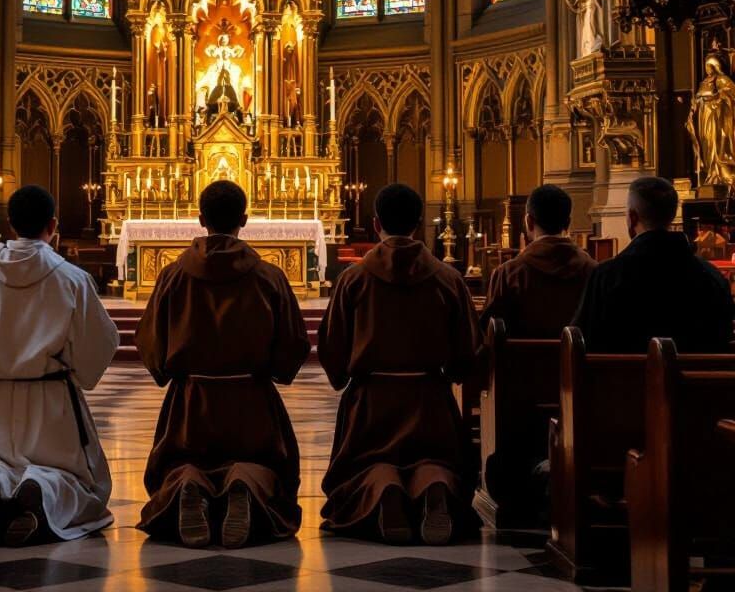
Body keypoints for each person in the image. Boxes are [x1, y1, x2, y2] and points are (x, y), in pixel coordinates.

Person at [136, 180, 310, 548]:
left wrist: (166, 369)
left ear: (201, 219)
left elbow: (151, 340)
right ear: (244, 220)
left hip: (191, 402)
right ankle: (245, 482)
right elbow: (293, 344)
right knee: (266, 465)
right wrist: (274, 370)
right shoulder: (269, 276)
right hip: (251, 402)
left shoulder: (173, 275)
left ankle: (189, 485)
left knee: (180, 462)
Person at [0, 185, 119, 547]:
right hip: (51, 400)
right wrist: (76, 370)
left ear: (10, 224)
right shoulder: (71, 278)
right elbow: (99, 344)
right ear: (53, 225)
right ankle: (40, 488)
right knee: (75, 479)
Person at [317, 183, 479, 545]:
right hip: (429, 401)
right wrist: (450, 373)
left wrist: (344, 375)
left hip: (372, 403)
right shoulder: (448, 279)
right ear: (419, 223)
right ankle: (433, 484)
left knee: (366, 465)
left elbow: (332, 347)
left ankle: (382, 488)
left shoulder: (353, 279)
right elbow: (467, 349)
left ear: (376, 224)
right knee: (435, 460)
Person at [571, 176, 734, 353]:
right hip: (695, 379)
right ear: (672, 216)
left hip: (622, 379)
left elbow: (582, 341)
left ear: (632, 218)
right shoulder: (711, 276)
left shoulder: (606, 276)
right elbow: (722, 338)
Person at [480, 184, 596, 339]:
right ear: (568, 223)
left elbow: (488, 334)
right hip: (578, 363)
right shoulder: (594, 272)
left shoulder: (508, 274)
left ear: (528, 221)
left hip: (522, 362)